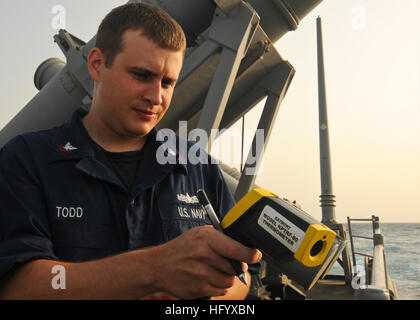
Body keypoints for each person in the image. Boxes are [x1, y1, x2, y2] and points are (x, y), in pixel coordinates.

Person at [0, 3, 261, 299]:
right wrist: (154, 270)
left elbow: (245, 276)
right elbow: (17, 287)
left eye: (167, 82)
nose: (155, 97)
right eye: (141, 75)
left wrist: (197, 296)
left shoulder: (198, 166)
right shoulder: (26, 160)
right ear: (97, 64)